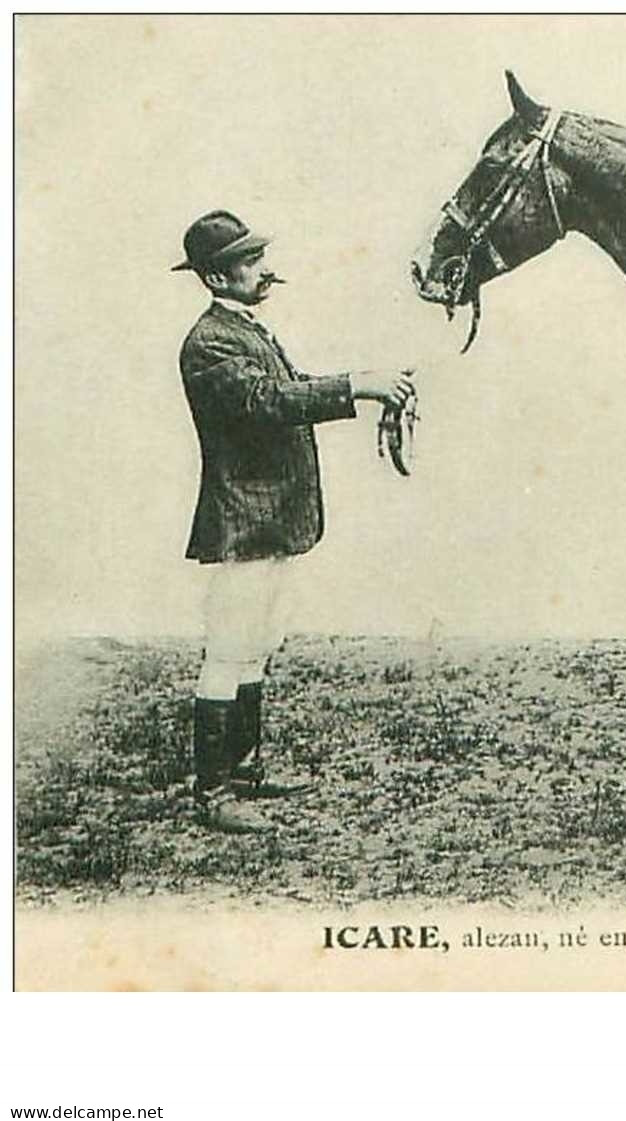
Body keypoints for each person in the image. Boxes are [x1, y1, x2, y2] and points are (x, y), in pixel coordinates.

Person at [173, 210, 415, 833]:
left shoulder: (245, 330)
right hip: (244, 519)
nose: (264, 270)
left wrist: (369, 384)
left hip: (270, 518)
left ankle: (245, 773)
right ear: (215, 279)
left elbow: (292, 386)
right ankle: (213, 792)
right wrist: (358, 386)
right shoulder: (209, 344)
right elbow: (268, 403)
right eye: (249, 263)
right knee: (229, 648)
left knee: (256, 643)